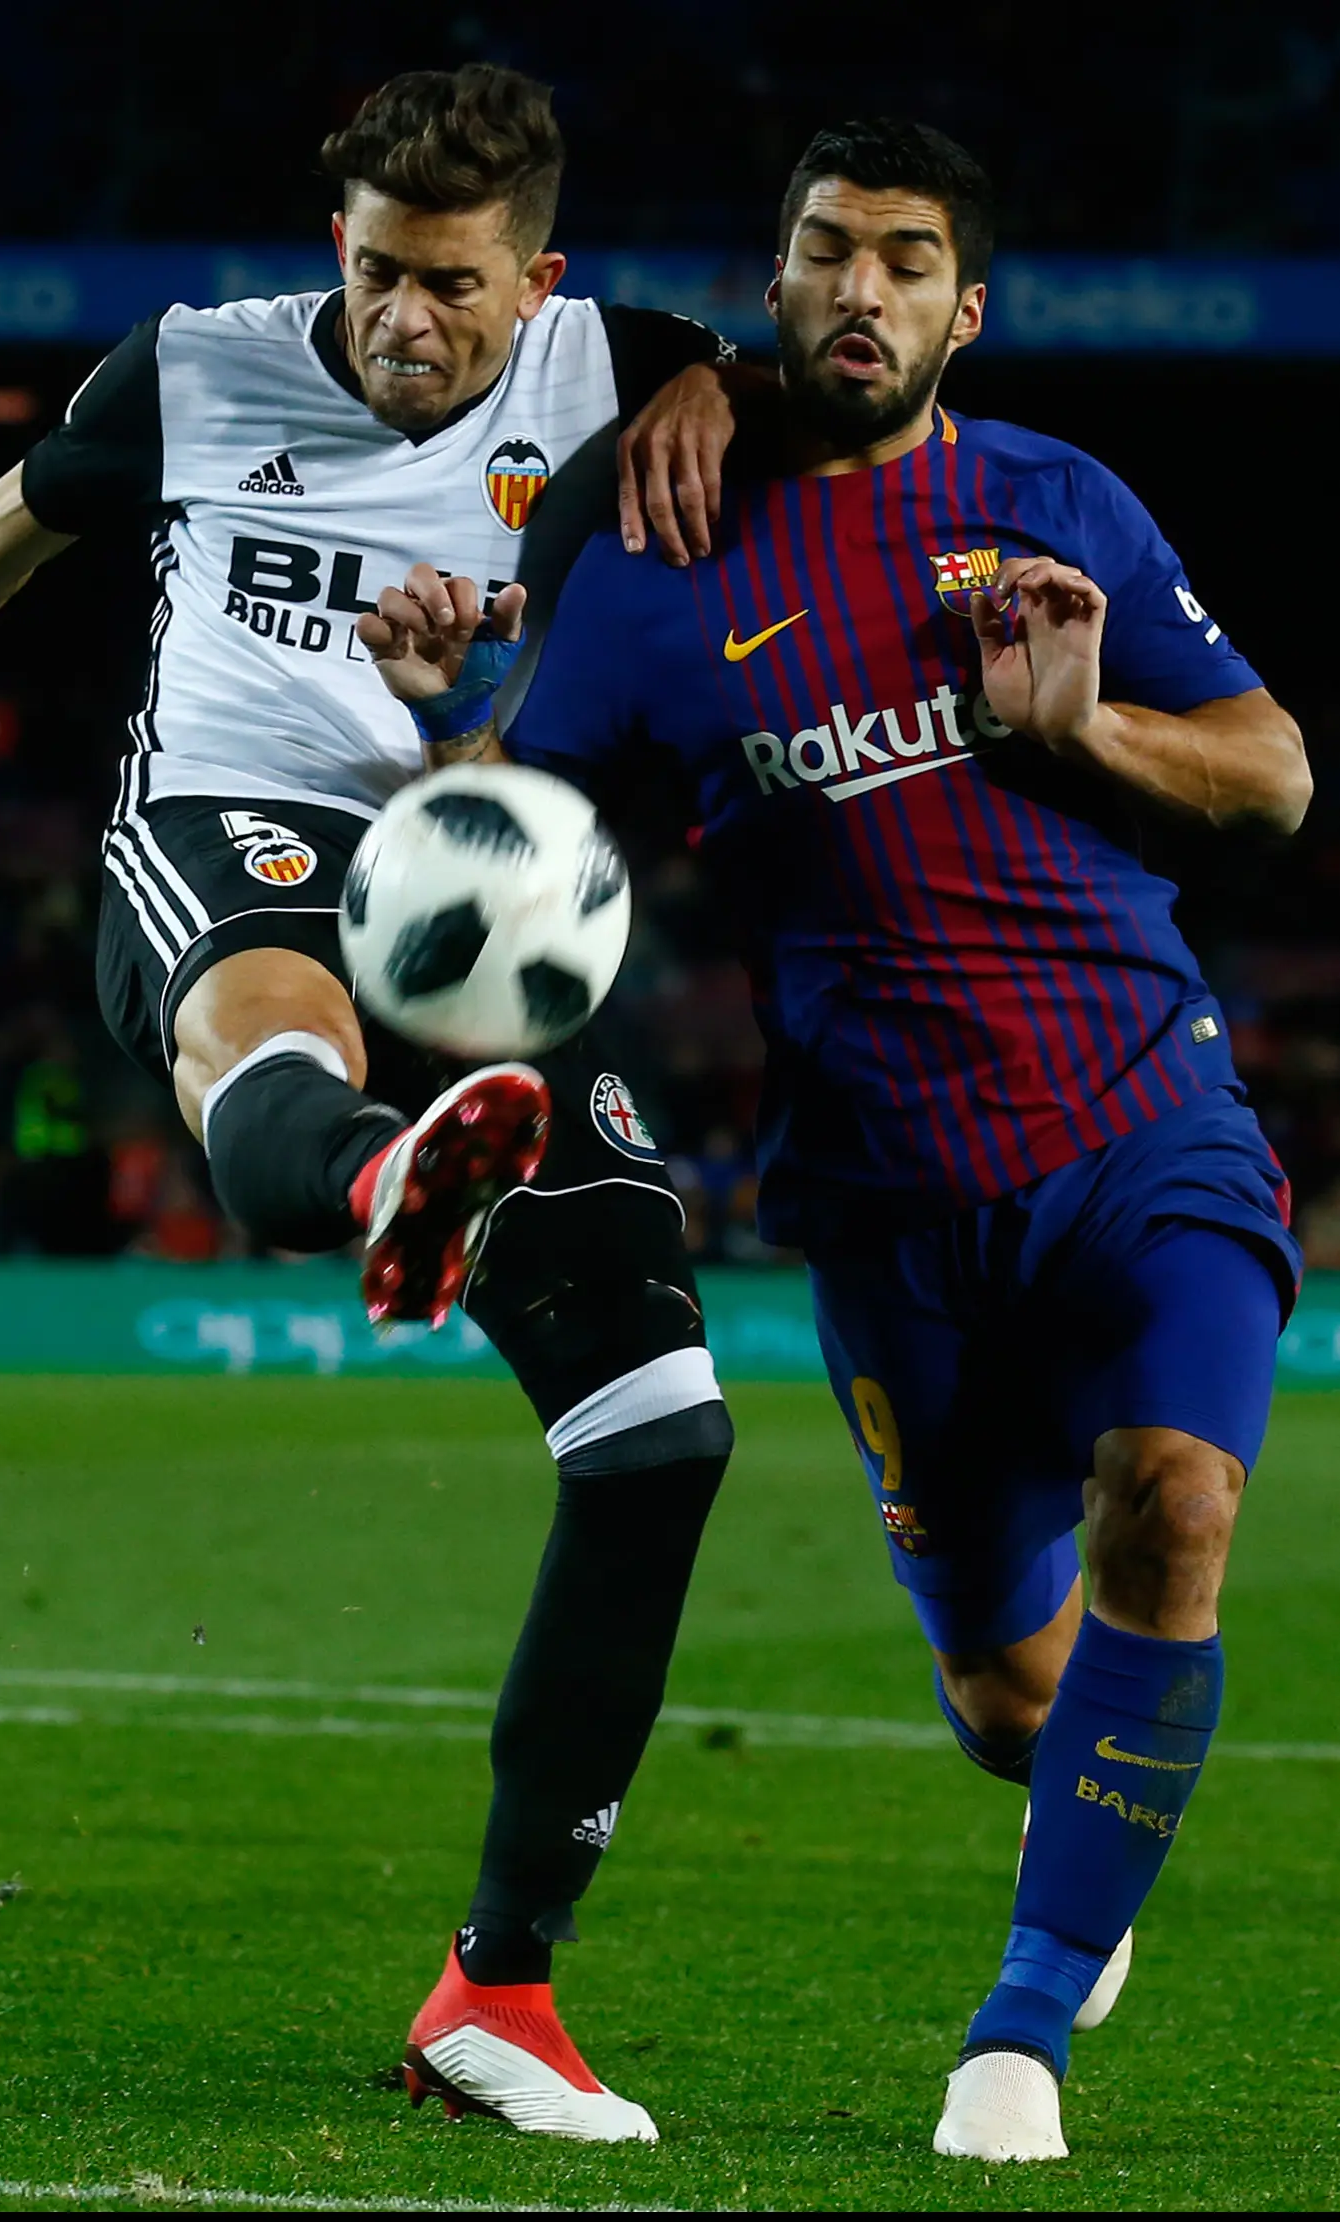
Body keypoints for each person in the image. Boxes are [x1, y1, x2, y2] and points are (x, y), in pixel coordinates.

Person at [0, 64, 757, 2146]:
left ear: (540, 282)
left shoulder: (622, 369)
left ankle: (497, 1991)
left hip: (479, 883)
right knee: (274, 1027)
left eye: (454, 287)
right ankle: (386, 1166)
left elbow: (845, 392)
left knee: (660, 1432)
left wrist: (725, 378)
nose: (407, 318)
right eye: (378, 272)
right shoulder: (196, 373)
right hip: (233, 833)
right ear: (336, 253)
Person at [359, 117, 1310, 2165]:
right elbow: (515, 870)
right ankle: (1078, 1843)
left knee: (1180, 1507)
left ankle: (1021, 2031)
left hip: (1149, 1125)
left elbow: (1273, 773)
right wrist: (442, 731)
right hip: (888, 1207)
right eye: (823, 252)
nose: (859, 287)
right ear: (772, 291)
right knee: (1011, 1707)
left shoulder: (1051, 505)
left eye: (904, 257)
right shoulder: (653, 580)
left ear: (965, 307)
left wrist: (1082, 729)